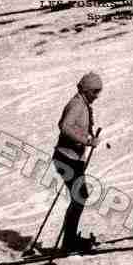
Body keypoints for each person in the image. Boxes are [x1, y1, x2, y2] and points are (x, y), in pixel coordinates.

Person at [53, 72, 102, 252]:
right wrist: (87, 140)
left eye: (99, 91)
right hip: (65, 157)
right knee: (79, 196)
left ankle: (70, 239)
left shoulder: (83, 104)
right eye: (94, 91)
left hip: (73, 157)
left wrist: (87, 137)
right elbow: (65, 126)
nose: (97, 96)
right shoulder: (76, 105)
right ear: (86, 90)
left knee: (80, 196)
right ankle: (69, 242)